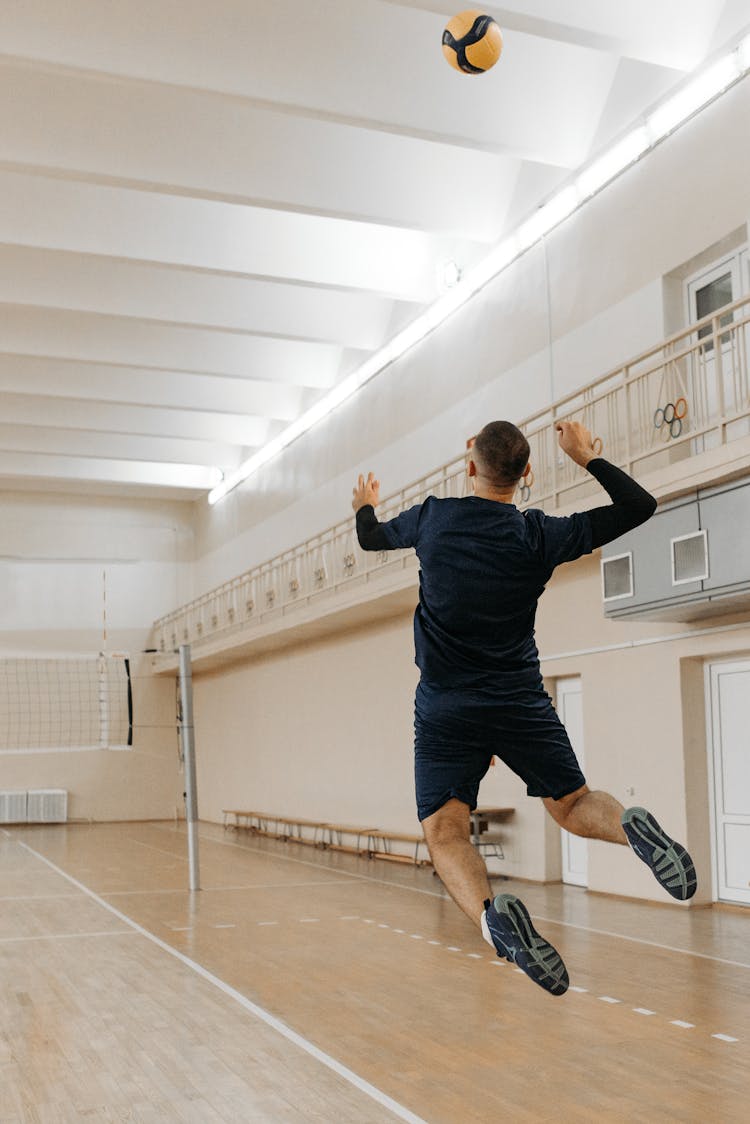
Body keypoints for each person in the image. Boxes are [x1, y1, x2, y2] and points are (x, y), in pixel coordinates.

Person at [352, 419, 697, 998]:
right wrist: (586, 457)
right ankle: (633, 833)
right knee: (574, 803)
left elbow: (370, 538)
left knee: (445, 832)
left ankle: (495, 924)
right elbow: (639, 505)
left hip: (446, 708)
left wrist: (365, 505)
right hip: (518, 701)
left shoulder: (433, 518)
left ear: (469, 465)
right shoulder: (538, 535)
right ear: (527, 475)